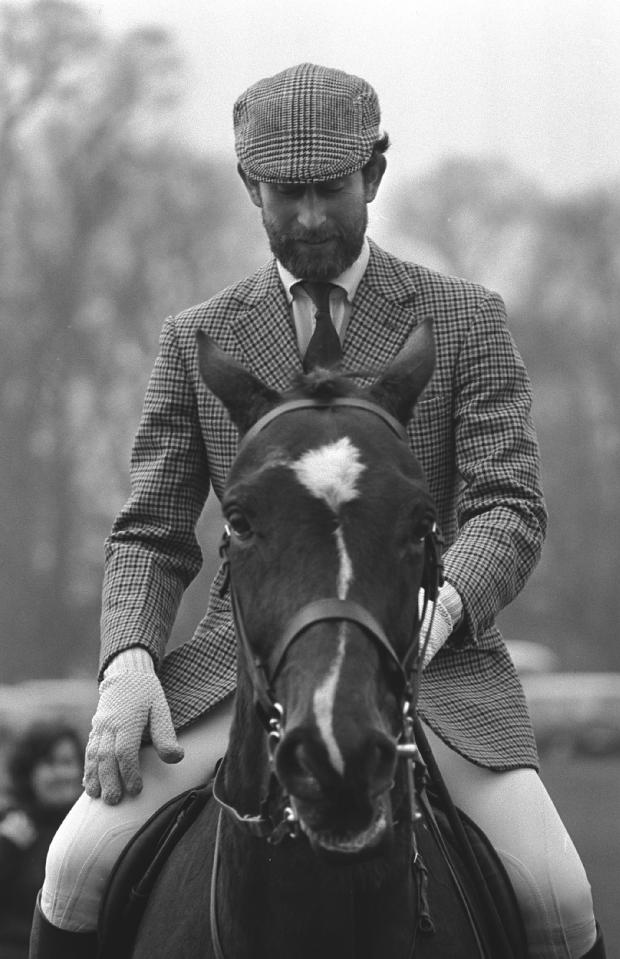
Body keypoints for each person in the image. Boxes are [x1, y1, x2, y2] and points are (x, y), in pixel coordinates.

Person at [30, 63, 604, 959]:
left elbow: (508, 505)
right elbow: (150, 528)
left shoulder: (466, 320)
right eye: (284, 193)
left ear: (373, 175)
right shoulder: (197, 339)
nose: (307, 218)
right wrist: (129, 659)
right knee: (73, 868)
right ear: (248, 187)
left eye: (330, 189)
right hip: (244, 669)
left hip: (434, 668)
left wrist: (442, 605)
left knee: (559, 897)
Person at [0, 721, 83, 958]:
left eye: (67, 763)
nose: (60, 773)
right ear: (29, 771)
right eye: (49, 763)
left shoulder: (90, 832)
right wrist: (5, 848)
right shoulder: (11, 825)